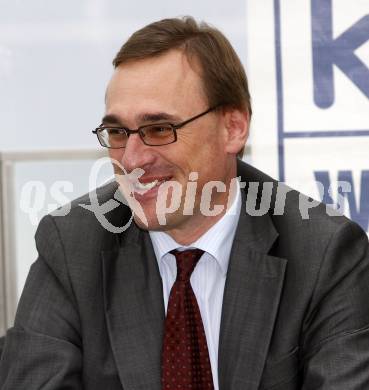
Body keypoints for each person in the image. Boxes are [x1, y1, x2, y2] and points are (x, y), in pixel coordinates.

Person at [1, 16, 369, 390]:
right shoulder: (72, 244)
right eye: (117, 132)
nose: (131, 160)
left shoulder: (325, 252)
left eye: (159, 129)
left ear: (234, 128)